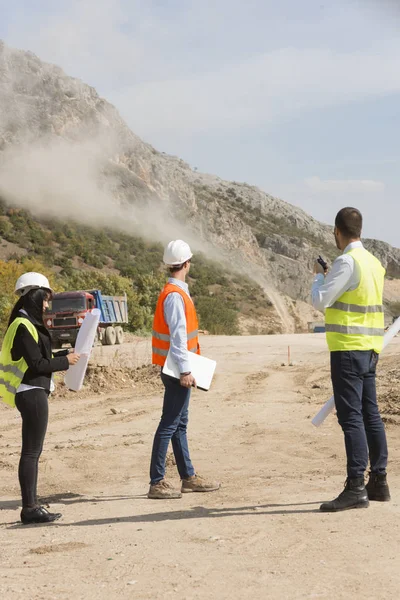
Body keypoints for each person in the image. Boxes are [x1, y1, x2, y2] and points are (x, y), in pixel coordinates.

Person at [312, 208, 390, 512]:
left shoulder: (346, 261)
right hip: (370, 348)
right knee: (370, 414)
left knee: (351, 417)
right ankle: (379, 482)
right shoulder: (372, 262)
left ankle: (356, 486)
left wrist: (319, 277)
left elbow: (321, 301)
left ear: (337, 231)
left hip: (347, 349)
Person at [0, 272, 80, 524]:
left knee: (32, 451)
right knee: (31, 452)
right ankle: (30, 508)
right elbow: (36, 364)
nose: (46, 305)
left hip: (32, 391)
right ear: (33, 296)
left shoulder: (25, 324)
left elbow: (39, 355)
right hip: (30, 391)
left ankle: (31, 505)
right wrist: (65, 361)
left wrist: (63, 353)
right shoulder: (23, 326)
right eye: (44, 299)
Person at [148, 240, 220, 499]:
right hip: (176, 369)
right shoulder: (175, 296)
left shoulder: (172, 292)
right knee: (169, 424)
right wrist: (185, 372)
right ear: (187, 263)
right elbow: (178, 338)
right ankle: (156, 481)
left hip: (174, 367)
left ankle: (187, 476)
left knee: (179, 424)